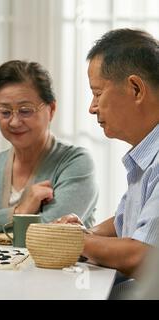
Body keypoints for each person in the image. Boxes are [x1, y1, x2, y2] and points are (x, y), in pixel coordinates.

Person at [56, 29, 159, 295]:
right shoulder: (146, 155)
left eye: (97, 93)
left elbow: (144, 256)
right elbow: (129, 219)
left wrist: (74, 242)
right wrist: (86, 233)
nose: (92, 107)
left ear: (136, 89)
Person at [0, 60, 98, 233]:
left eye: (25, 111)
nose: (14, 122)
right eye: (5, 112)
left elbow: (56, 230)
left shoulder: (75, 162)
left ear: (51, 109)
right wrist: (19, 212)